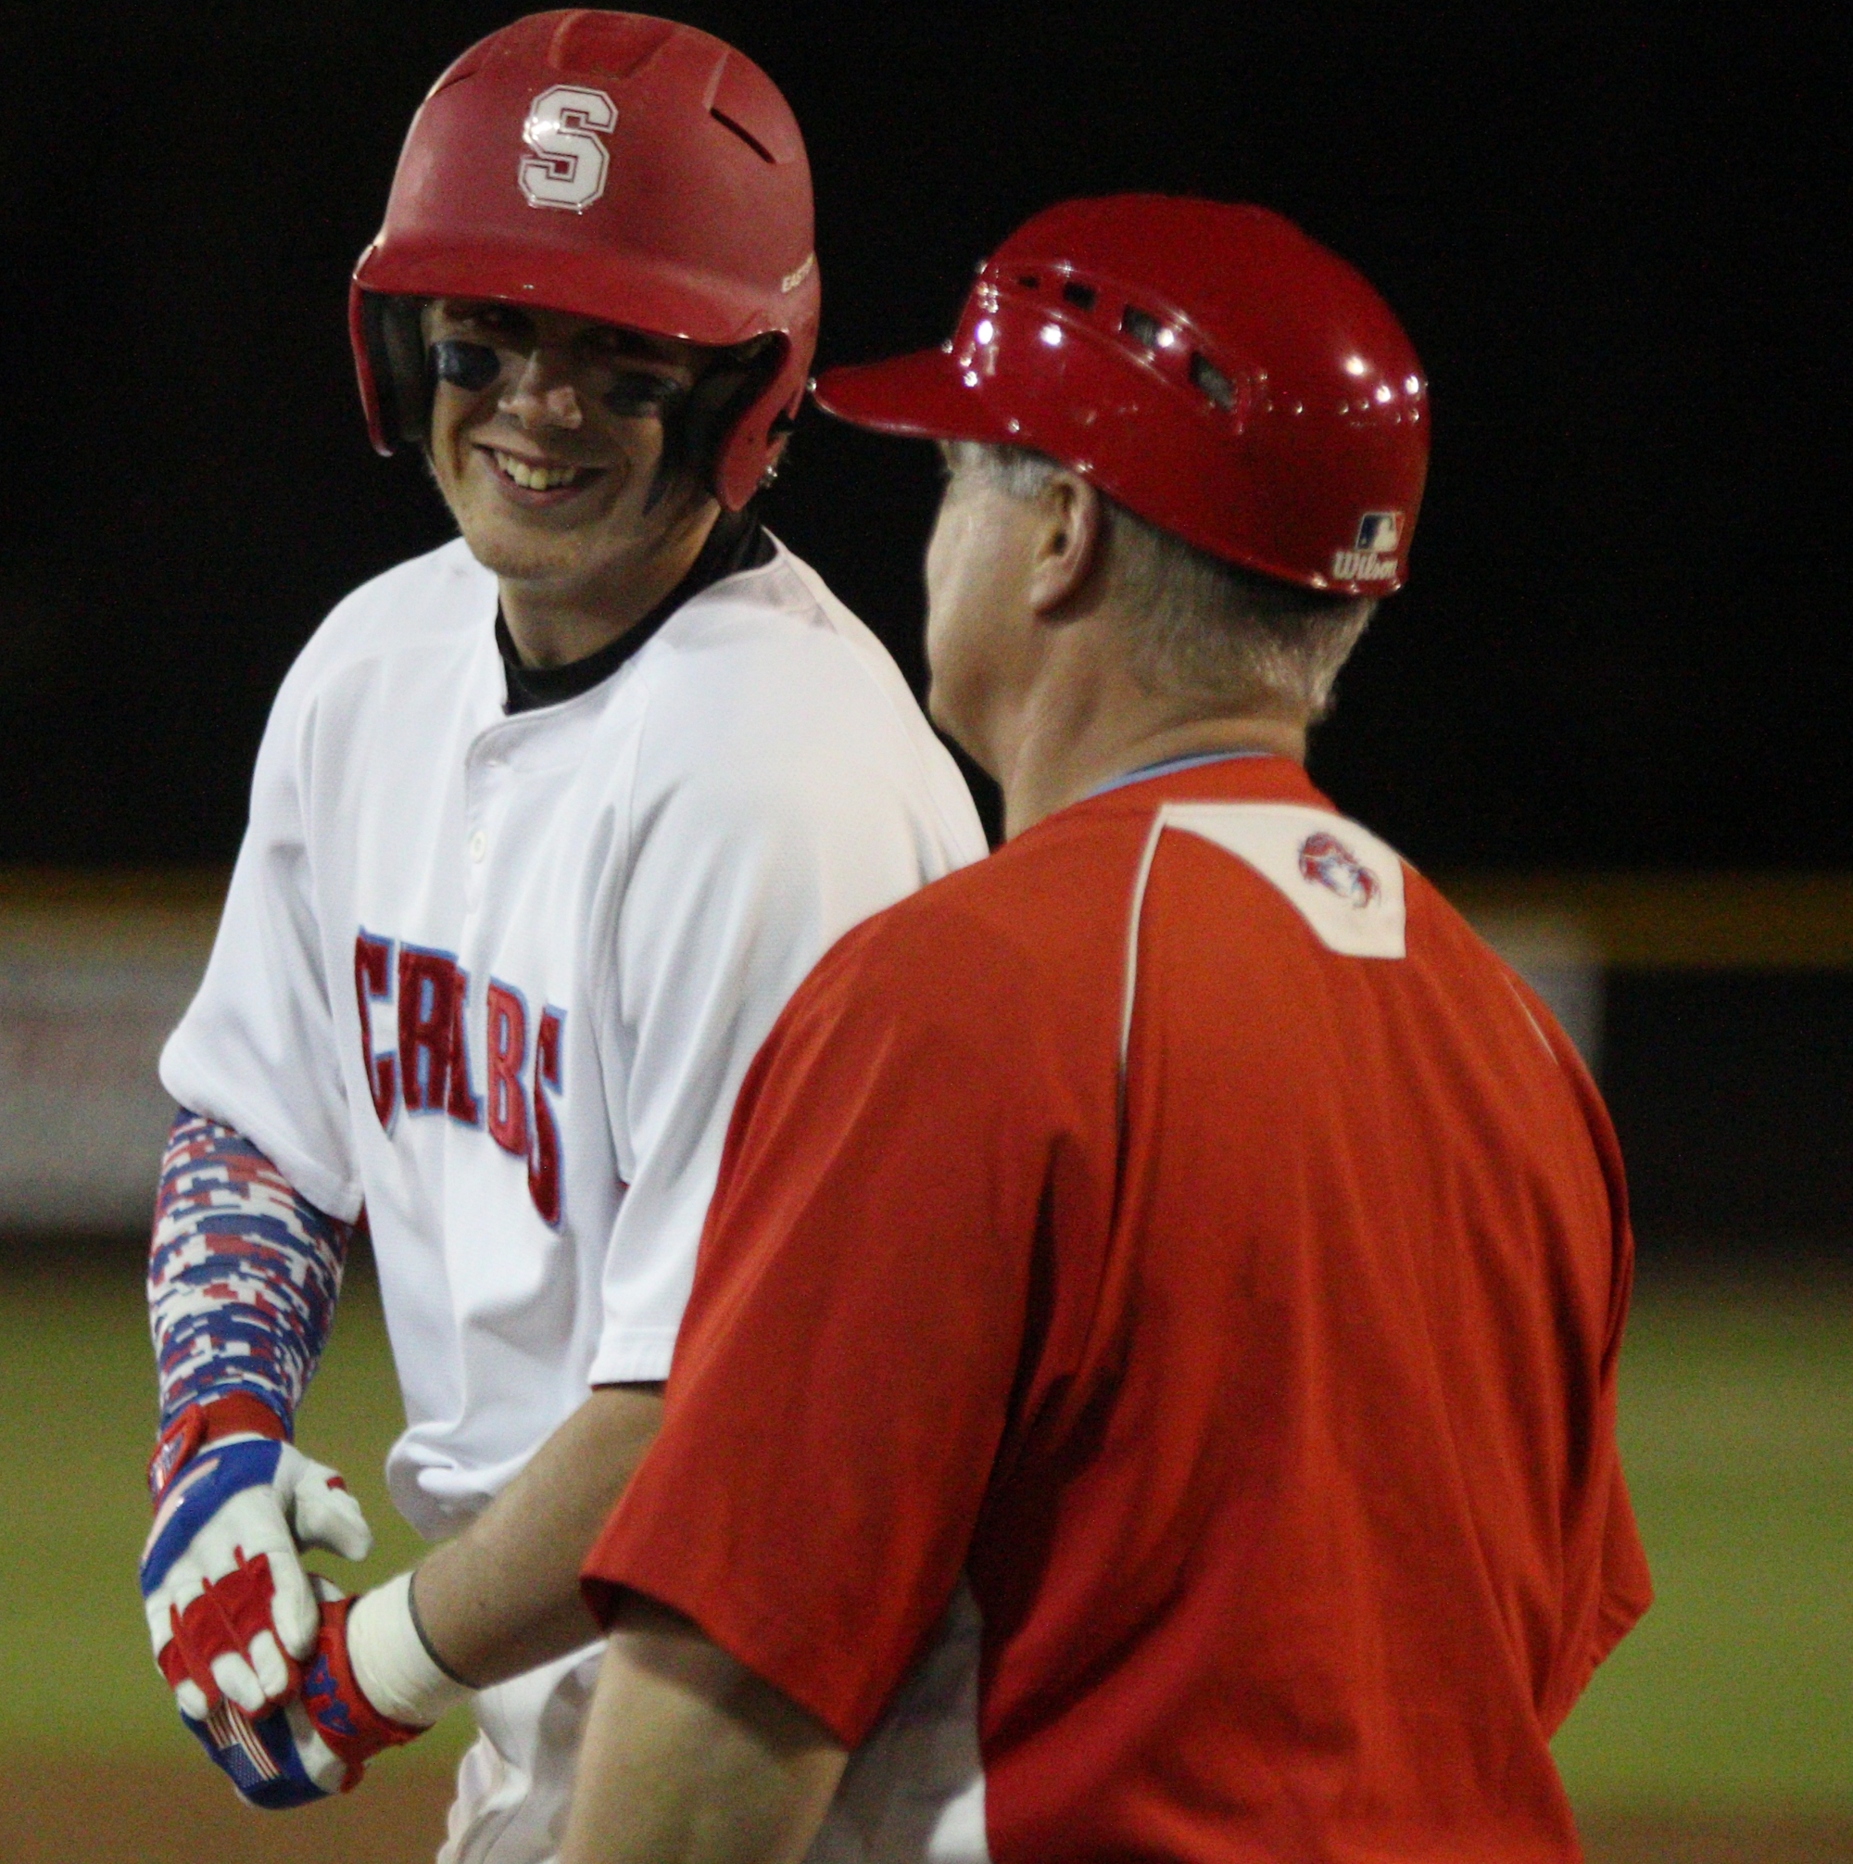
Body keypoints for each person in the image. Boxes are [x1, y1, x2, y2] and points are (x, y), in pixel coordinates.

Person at [563, 196, 1653, 1864]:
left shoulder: (962, 993)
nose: (933, 528)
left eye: (956, 474)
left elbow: (716, 1718)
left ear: (1060, 530)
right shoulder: (1512, 1039)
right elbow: (1515, 1650)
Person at [136, 9, 984, 1859]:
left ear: (742, 385)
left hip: (808, 1740)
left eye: (621, 358)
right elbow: (257, 1132)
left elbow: (715, 1422)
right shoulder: (373, 666)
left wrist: (363, 1669)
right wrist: (210, 1445)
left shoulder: (781, 783)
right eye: (487, 335)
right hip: (568, 1680)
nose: (534, 404)